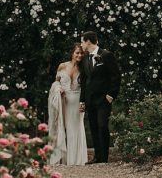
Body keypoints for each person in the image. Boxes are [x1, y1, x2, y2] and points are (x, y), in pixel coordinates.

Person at [79, 31, 121, 163]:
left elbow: (116, 76)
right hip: (90, 99)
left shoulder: (106, 55)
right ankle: (97, 157)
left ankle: (104, 157)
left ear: (88, 42)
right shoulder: (85, 58)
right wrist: (82, 100)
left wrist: (111, 95)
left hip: (103, 99)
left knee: (102, 125)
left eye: (82, 42)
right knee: (93, 127)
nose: (81, 45)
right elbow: (85, 81)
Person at [48, 44, 88, 165]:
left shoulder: (84, 69)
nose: (79, 55)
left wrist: (83, 102)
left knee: (75, 128)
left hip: (77, 101)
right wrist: (58, 88)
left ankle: (75, 160)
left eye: (81, 53)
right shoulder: (62, 66)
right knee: (60, 126)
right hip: (62, 101)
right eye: (77, 53)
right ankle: (61, 158)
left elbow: (86, 88)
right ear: (72, 53)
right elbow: (56, 82)